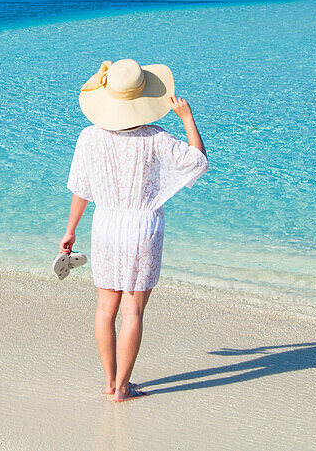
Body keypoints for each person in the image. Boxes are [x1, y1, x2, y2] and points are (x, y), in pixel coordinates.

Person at [59, 59, 208, 402]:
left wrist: (70, 231)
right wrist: (187, 118)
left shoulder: (89, 137)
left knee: (104, 309)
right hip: (143, 227)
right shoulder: (157, 138)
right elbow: (197, 161)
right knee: (133, 312)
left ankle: (110, 382)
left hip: (106, 224)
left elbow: (80, 188)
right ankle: (123, 388)